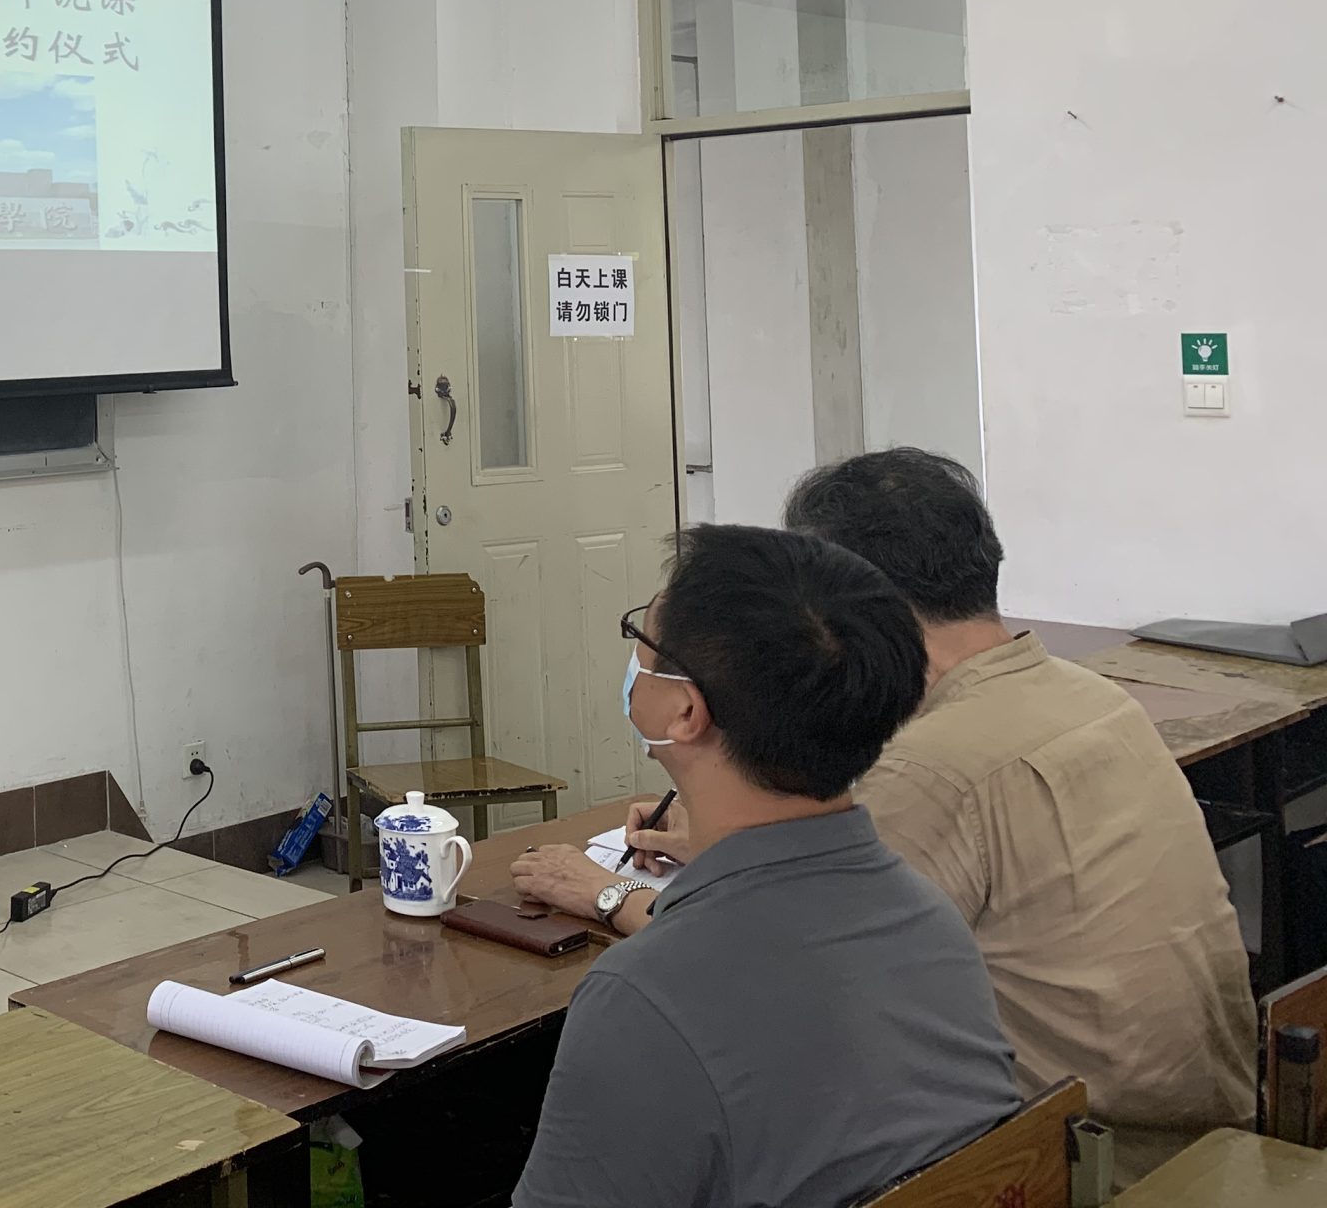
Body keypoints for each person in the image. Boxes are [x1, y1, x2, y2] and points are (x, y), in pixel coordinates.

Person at [781, 448, 1257, 1185]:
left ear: (849, 612)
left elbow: (799, 976)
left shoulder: (930, 767)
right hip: (1210, 1127)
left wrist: (618, 896)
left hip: (1094, 1168)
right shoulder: (1096, 698)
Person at [507, 525, 1017, 1208]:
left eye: (643, 642)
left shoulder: (640, 997)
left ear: (686, 710)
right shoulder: (935, 925)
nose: (633, 659)